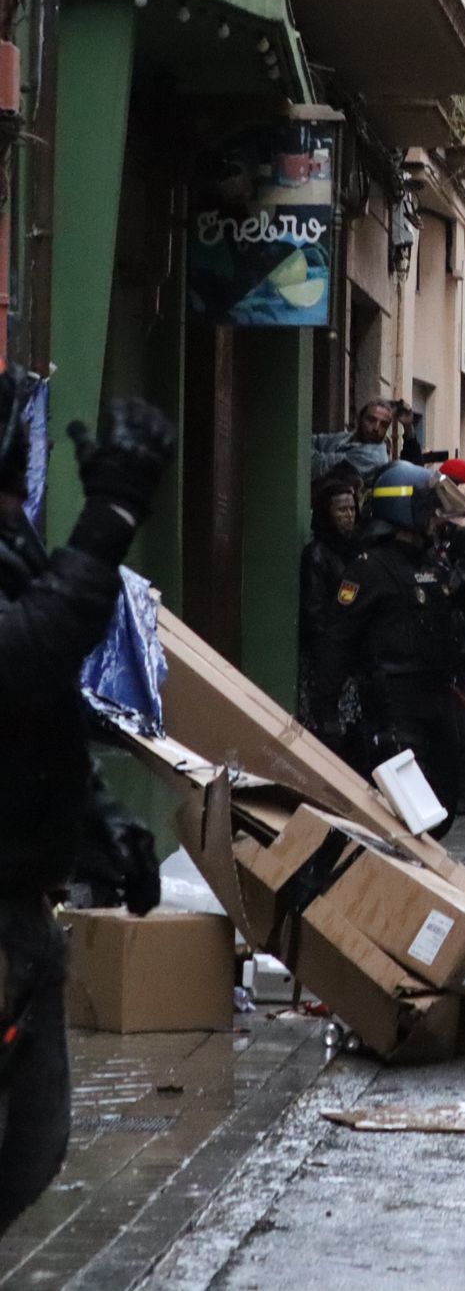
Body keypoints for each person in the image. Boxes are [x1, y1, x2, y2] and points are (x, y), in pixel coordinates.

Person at [0, 383, 174, 1236]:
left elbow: (38, 711)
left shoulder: (10, 545)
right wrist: (107, 516)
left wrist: (98, 820)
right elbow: (21, 657)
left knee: (30, 1151)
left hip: (18, 915)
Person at [314, 461, 465, 829]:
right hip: (394, 704)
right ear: (404, 509)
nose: (435, 517)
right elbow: (335, 641)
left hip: (438, 696)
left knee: (443, 807)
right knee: (408, 816)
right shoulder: (368, 569)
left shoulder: (433, 561)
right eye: (429, 508)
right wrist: (327, 713)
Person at [299, 475, 364, 762]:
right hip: (327, 657)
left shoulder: (358, 551)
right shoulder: (317, 554)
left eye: (352, 509)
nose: (348, 516)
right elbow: (315, 611)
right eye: (341, 510)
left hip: (354, 654)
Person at [311, 399, 399, 481]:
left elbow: (318, 467)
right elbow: (312, 441)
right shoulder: (347, 437)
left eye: (383, 425)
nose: (376, 428)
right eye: (371, 420)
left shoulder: (374, 457)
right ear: (359, 418)